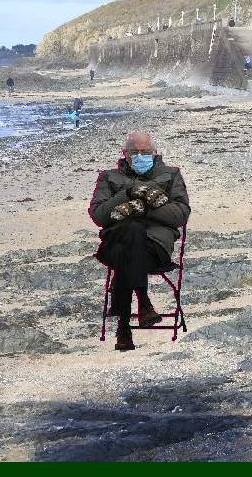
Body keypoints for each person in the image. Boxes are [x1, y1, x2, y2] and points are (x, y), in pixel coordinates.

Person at [89, 131, 190, 351]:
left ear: (154, 153)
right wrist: (128, 193)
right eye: (135, 152)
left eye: (146, 152)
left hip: (155, 248)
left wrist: (139, 208)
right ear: (125, 154)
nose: (141, 156)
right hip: (115, 245)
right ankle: (143, 303)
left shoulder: (171, 175)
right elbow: (99, 216)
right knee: (131, 234)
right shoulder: (108, 177)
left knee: (132, 232)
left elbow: (180, 215)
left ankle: (123, 328)